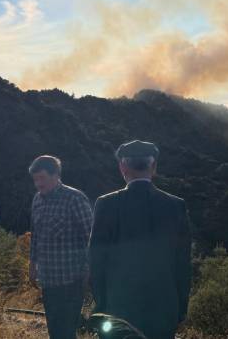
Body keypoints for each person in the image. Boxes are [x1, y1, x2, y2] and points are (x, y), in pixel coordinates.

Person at [89, 140, 191, 339]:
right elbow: (183, 264)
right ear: (153, 167)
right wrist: (180, 308)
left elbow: (96, 261)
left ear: (123, 167)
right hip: (163, 309)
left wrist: (101, 304)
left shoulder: (106, 204)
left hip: (117, 308)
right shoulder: (176, 206)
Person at [29, 155, 93, 339]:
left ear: (56, 175)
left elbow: (92, 237)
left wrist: (89, 270)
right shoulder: (37, 200)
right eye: (35, 179)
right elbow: (36, 235)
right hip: (48, 280)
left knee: (65, 331)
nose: (38, 184)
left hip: (71, 279)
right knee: (55, 330)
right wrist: (32, 265)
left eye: (41, 178)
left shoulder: (75, 198)